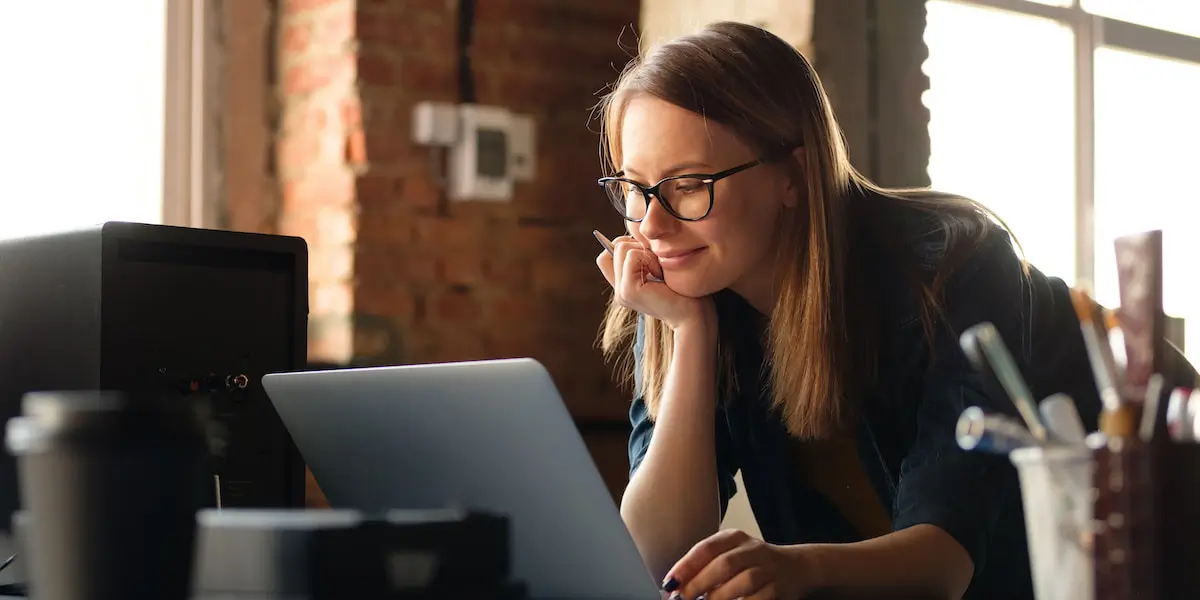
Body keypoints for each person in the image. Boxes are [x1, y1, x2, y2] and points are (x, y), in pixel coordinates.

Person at [592, 21, 1105, 600]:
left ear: (795, 174)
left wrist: (796, 569)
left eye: (688, 184)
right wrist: (690, 331)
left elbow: (945, 564)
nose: (652, 225)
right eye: (635, 188)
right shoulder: (682, 281)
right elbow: (655, 556)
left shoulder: (954, 266)